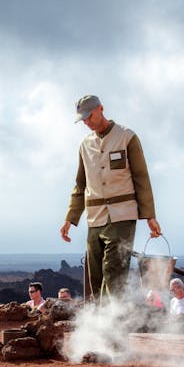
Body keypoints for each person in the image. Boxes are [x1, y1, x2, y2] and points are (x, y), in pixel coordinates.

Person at [60, 94, 162, 302]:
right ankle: (100, 323)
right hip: (95, 218)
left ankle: (110, 323)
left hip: (122, 215)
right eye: (83, 119)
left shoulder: (127, 137)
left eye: (89, 116)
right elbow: (80, 185)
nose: (87, 122)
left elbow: (141, 177)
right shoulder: (85, 145)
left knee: (114, 271)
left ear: (101, 109)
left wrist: (149, 216)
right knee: (96, 274)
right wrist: (70, 218)